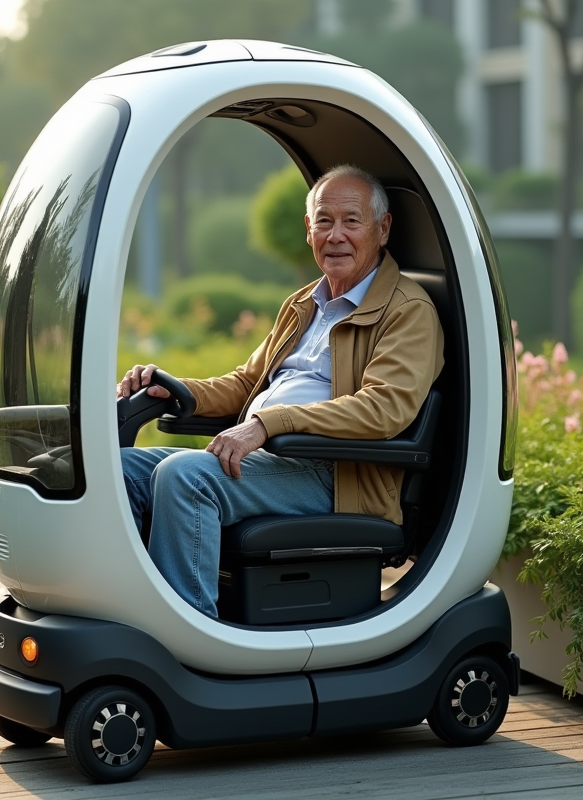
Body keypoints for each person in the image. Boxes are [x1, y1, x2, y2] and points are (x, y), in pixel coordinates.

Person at [117, 164, 443, 618]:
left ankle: (188, 635)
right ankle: (129, 612)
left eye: (352, 221)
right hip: (270, 457)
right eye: (324, 221)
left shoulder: (408, 311)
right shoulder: (305, 303)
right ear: (308, 230)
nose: (336, 235)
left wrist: (267, 425)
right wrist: (171, 388)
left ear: (382, 229)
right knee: (120, 469)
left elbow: (384, 409)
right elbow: (248, 383)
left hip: (335, 473)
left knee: (186, 477)